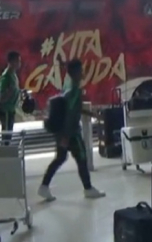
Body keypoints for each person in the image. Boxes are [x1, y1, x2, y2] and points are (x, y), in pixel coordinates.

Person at [37, 59, 106, 201]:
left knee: (61, 158)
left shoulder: (68, 83)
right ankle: (88, 189)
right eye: (81, 70)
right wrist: (66, 136)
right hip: (71, 132)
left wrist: (92, 114)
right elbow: (71, 112)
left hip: (61, 130)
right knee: (81, 158)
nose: (83, 73)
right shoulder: (75, 88)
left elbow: (74, 107)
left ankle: (44, 187)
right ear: (75, 72)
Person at [0, 51, 22, 144]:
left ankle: (5, 152)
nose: (20, 63)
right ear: (12, 61)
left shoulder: (13, 75)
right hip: (6, 111)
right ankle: (4, 155)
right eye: (18, 61)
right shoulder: (6, 76)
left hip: (11, 110)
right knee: (6, 136)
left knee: (9, 135)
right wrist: (10, 91)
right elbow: (1, 98)